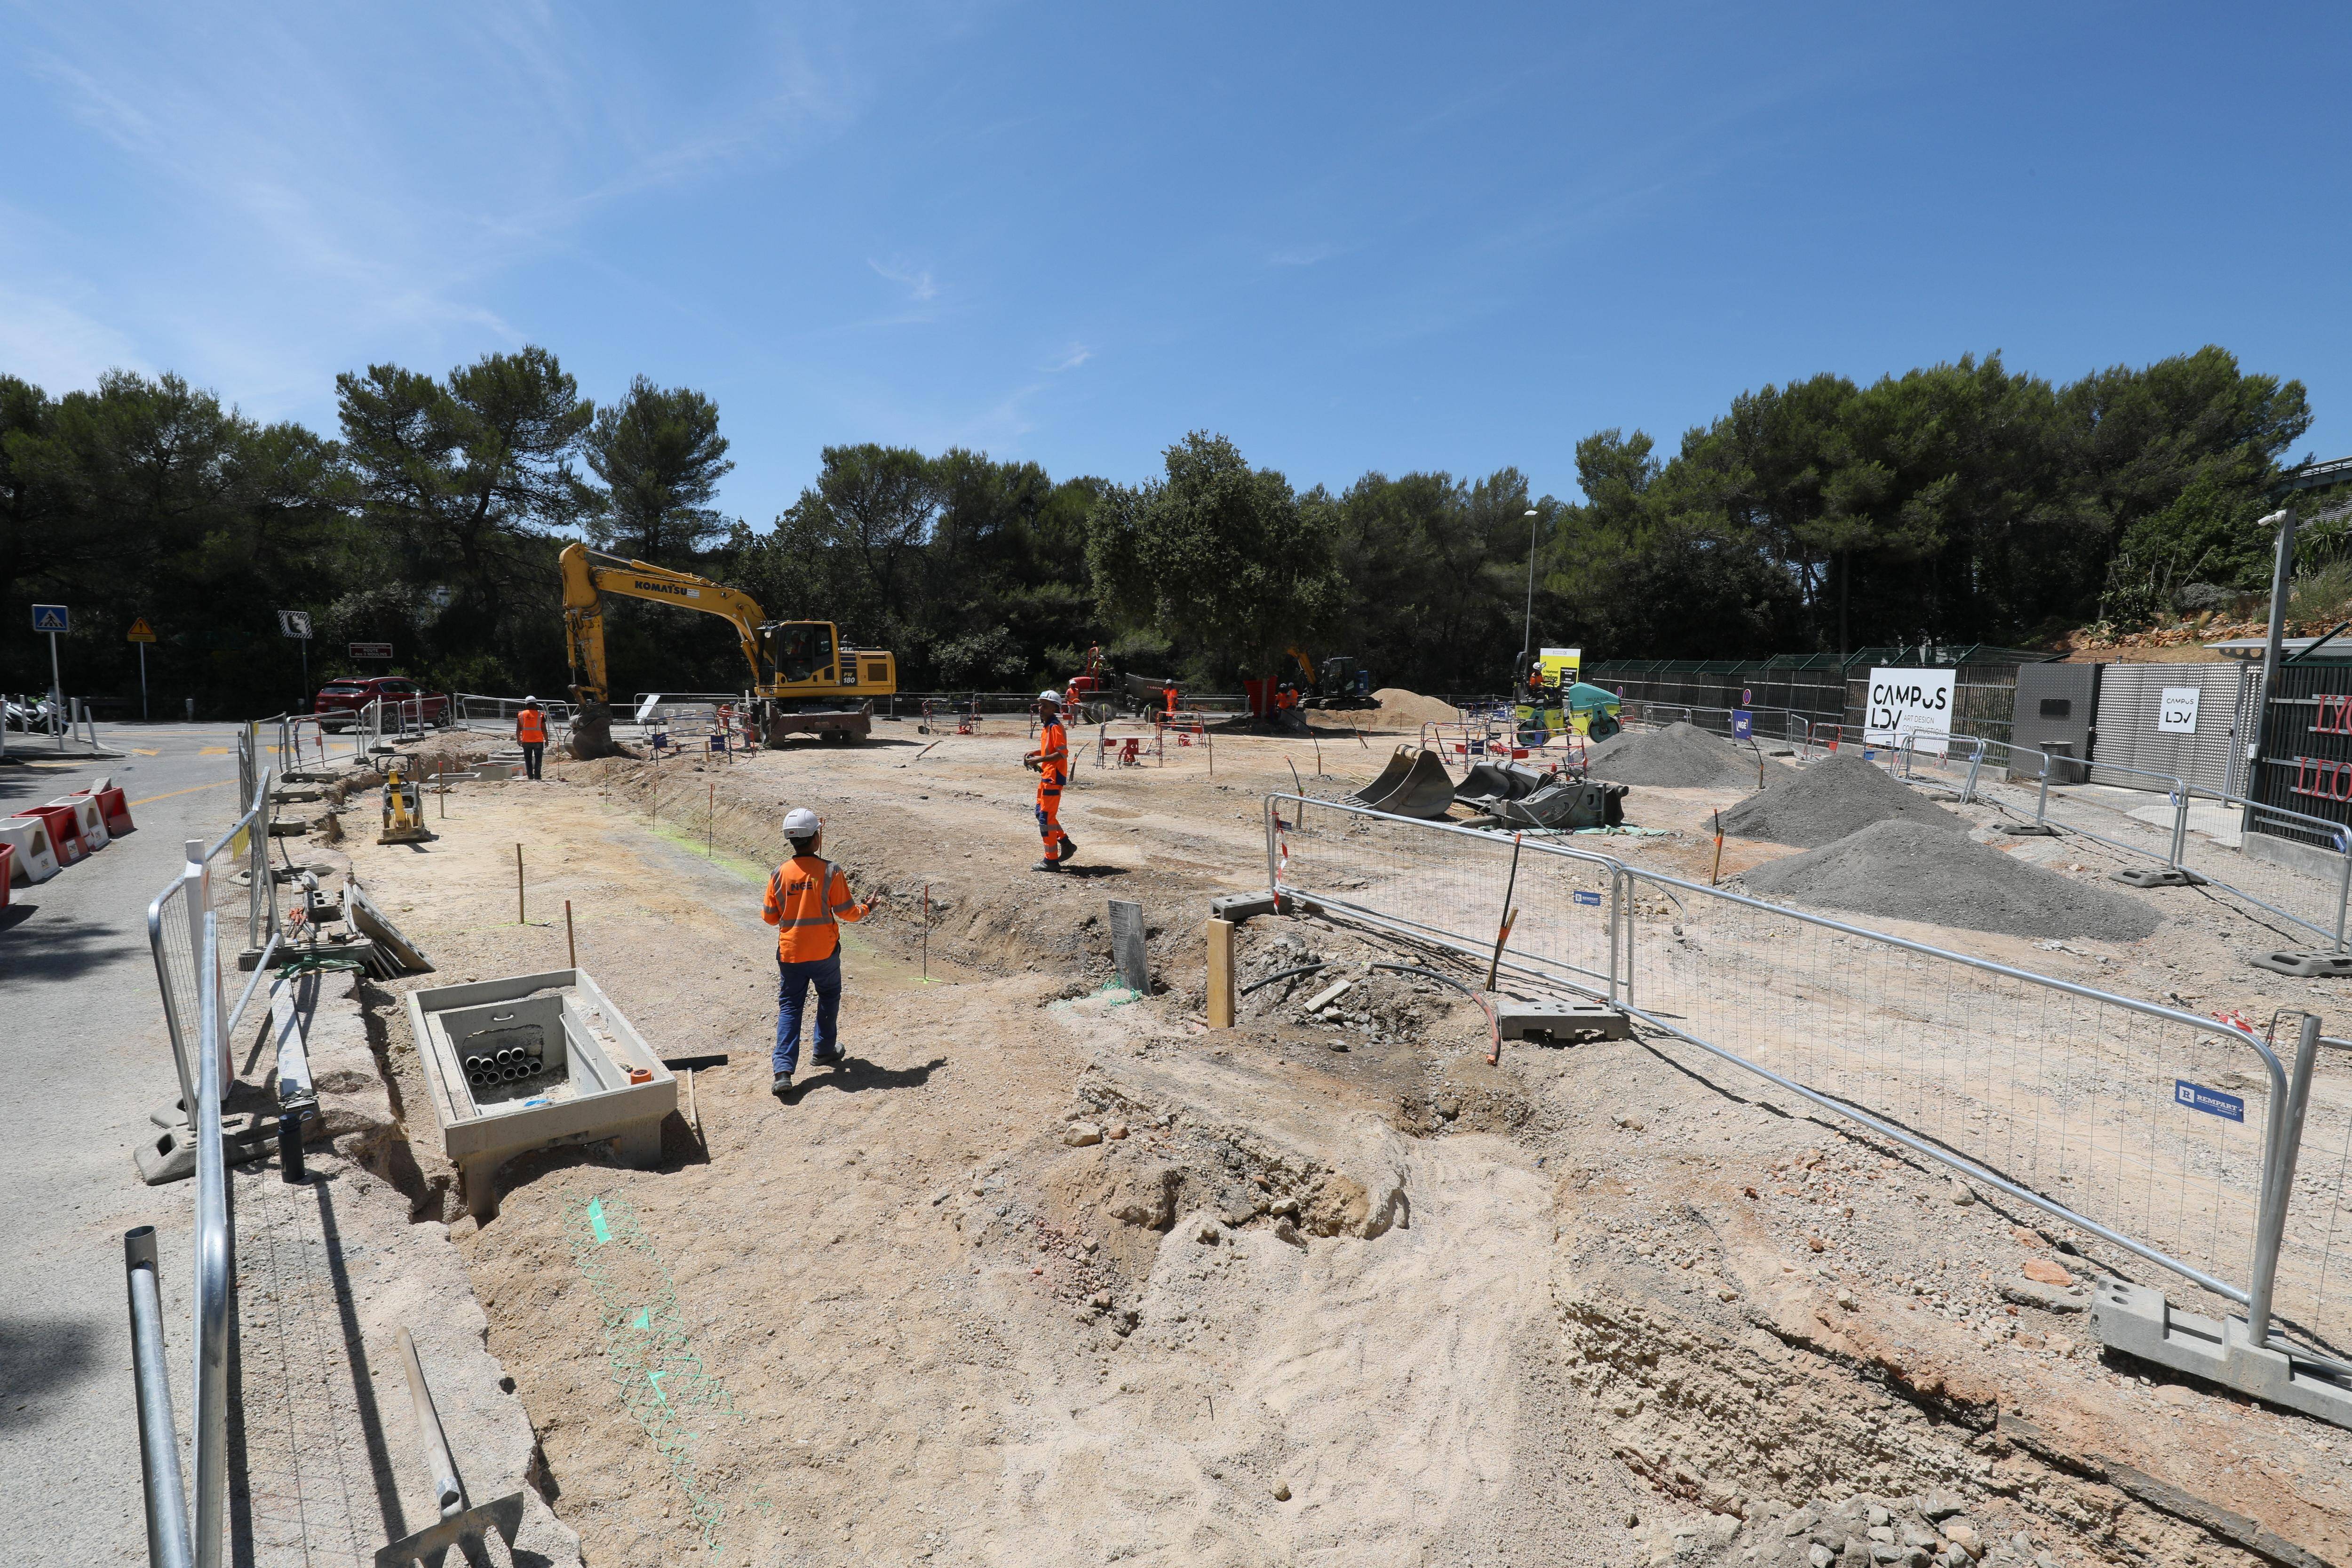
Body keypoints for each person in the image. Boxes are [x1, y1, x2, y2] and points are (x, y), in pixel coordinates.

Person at [763, 807, 872, 1098]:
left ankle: (783, 1071)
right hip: (824, 953)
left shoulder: (778, 873)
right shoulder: (831, 871)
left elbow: (770, 917)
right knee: (829, 996)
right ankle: (824, 1050)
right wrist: (867, 908)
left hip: (791, 954)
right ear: (815, 837)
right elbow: (848, 913)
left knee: (790, 1006)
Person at [1024, 689, 1077, 872]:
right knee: (1042, 815)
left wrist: (1038, 760)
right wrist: (1036, 753)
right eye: (1040, 705)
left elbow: (1061, 754)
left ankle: (1051, 861)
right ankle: (1066, 843)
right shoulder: (1047, 726)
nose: (1040, 708)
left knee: (1046, 819)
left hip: (1053, 779)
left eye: (1044, 706)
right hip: (1047, 777)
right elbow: (1050, 751)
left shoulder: (1055, 727)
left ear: (1054, 708)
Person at [515, 696, 547, 780]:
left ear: (526, 705)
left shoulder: (521, 715)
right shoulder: (540, 715)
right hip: (538, 741)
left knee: (528, 760)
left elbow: (518, 729)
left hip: (526, 741)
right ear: (536, 705)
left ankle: (530, 777)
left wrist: (519, 740)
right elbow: (544, 729)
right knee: (538, 760)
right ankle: (537, 777)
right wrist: (547, 740)